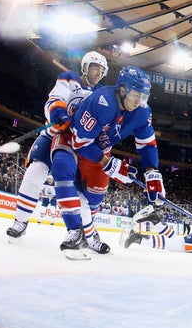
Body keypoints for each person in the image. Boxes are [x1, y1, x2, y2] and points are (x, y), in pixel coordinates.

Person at [50, 65, 166, 259]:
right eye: (136, 95)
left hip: (99, 150)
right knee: (62, 168)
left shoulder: (142, 111)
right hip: (74, 140)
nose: (140, 102)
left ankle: (90, 231)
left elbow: (147, 144)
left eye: (144, 96)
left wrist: (152, 173)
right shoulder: (101, 102)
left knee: (94, 197)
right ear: (122, 90)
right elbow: (81, 143)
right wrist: (109, 163)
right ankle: (76, 232)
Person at [6, 51, 109, 255]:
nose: (99, 73)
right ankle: (20, 221)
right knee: (35, 172)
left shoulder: (100, 94)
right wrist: (58, 112)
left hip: (76, 144)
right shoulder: (68, 78)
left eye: (102, 71)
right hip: (53, 134)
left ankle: (88, 234)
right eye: (96, 68)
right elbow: (55, 98)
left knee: (78, 192)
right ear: (86, 67)